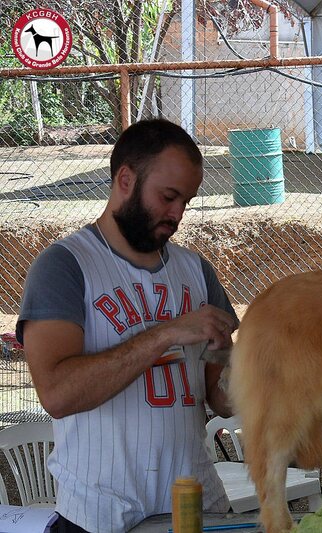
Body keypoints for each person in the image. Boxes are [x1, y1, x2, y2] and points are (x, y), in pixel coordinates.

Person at [16, 119, 239, 533]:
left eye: (186, 201)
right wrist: (166, 333)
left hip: (195, 505)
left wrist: (269, 378)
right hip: (101, 516)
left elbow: (220, 395)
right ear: (125, 179)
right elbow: (58, 395)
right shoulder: (65, 266)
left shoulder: (197, 271)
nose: (177, 214)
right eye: (168, 197)